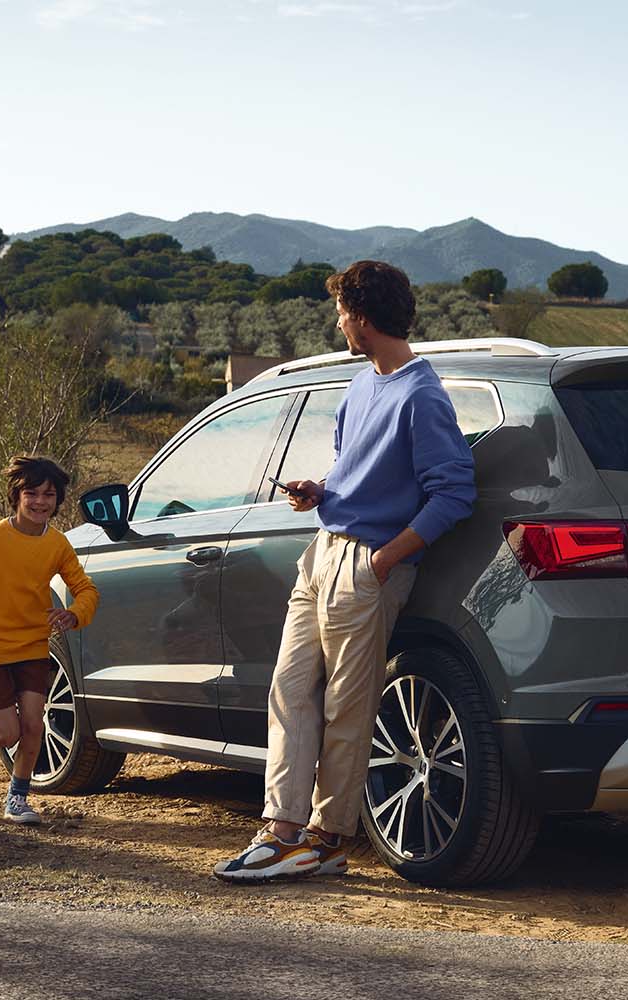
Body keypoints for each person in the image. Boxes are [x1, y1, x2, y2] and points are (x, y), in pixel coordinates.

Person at [213, 260, 476, 882]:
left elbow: (454, 493)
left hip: (369, 566)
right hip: (323, 550)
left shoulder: (422, 396)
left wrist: (388, 557)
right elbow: (355, 469)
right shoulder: (362, 386)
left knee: (346, 708)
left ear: (361, 317)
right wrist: (321, 489)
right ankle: (281, 831)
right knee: (290, 689)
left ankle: (327, 840)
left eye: (340, 313)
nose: (338, 323)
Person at [0, 456, 99, 825]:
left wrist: (74, 613)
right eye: (32, 493)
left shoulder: (58, 545)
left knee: (33, 726)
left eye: (49, 494)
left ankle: (18, 797)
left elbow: (86, 589)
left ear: (58, 500)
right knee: (6, 732)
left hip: (33, 647)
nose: (40, 501)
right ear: (16, 496)